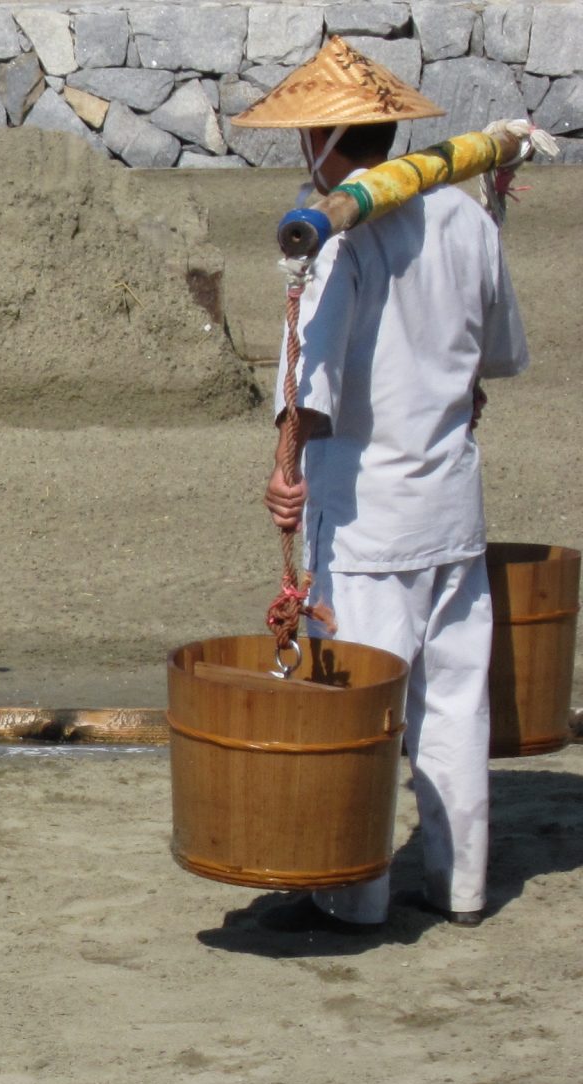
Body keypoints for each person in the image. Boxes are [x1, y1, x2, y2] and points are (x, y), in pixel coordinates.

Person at [239, 39, 528, 930]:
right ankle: (464, 884)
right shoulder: (465, 220)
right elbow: (497, 357)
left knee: (361, 707)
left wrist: (283, 474)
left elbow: (310, 391)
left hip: (366, 518)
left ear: (325, 137)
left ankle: (355, 894)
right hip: (451, 505)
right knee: (452, 703)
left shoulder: (334, 233)